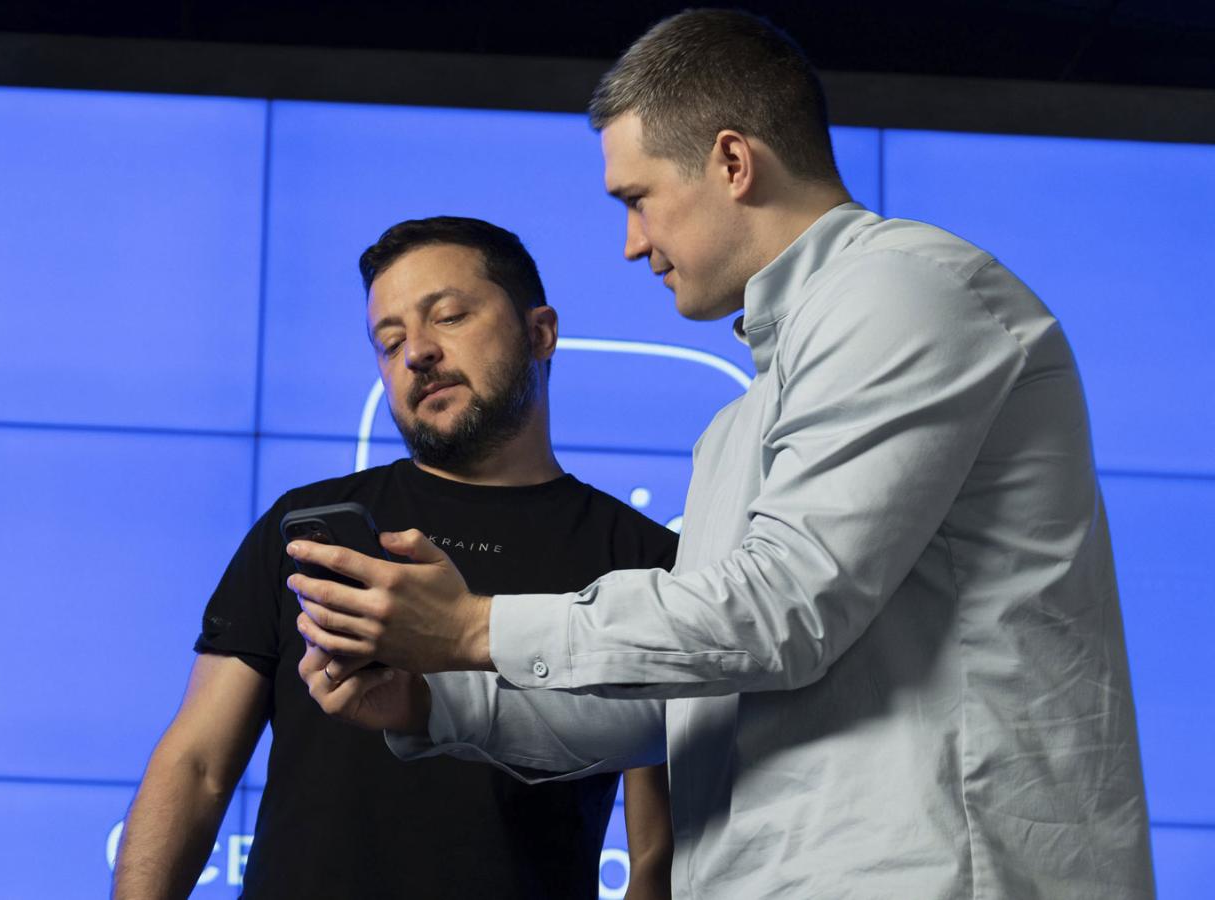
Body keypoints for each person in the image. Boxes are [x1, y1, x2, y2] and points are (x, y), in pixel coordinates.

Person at [288, 10, 1156, 899]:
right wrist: (431, 699)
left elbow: (782, 609)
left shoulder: (906, 290)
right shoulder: (738, 425)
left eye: (637, 199)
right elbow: (685, 704)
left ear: (733, 163)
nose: (632, 243)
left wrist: (475, 627)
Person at [111, 217, 679, 899]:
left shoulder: (646, 558)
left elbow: (657, 855)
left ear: (541, 333)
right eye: (390, 341)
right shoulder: (307, 531)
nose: (417, 353)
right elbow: (196, 765)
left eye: (449, 316)